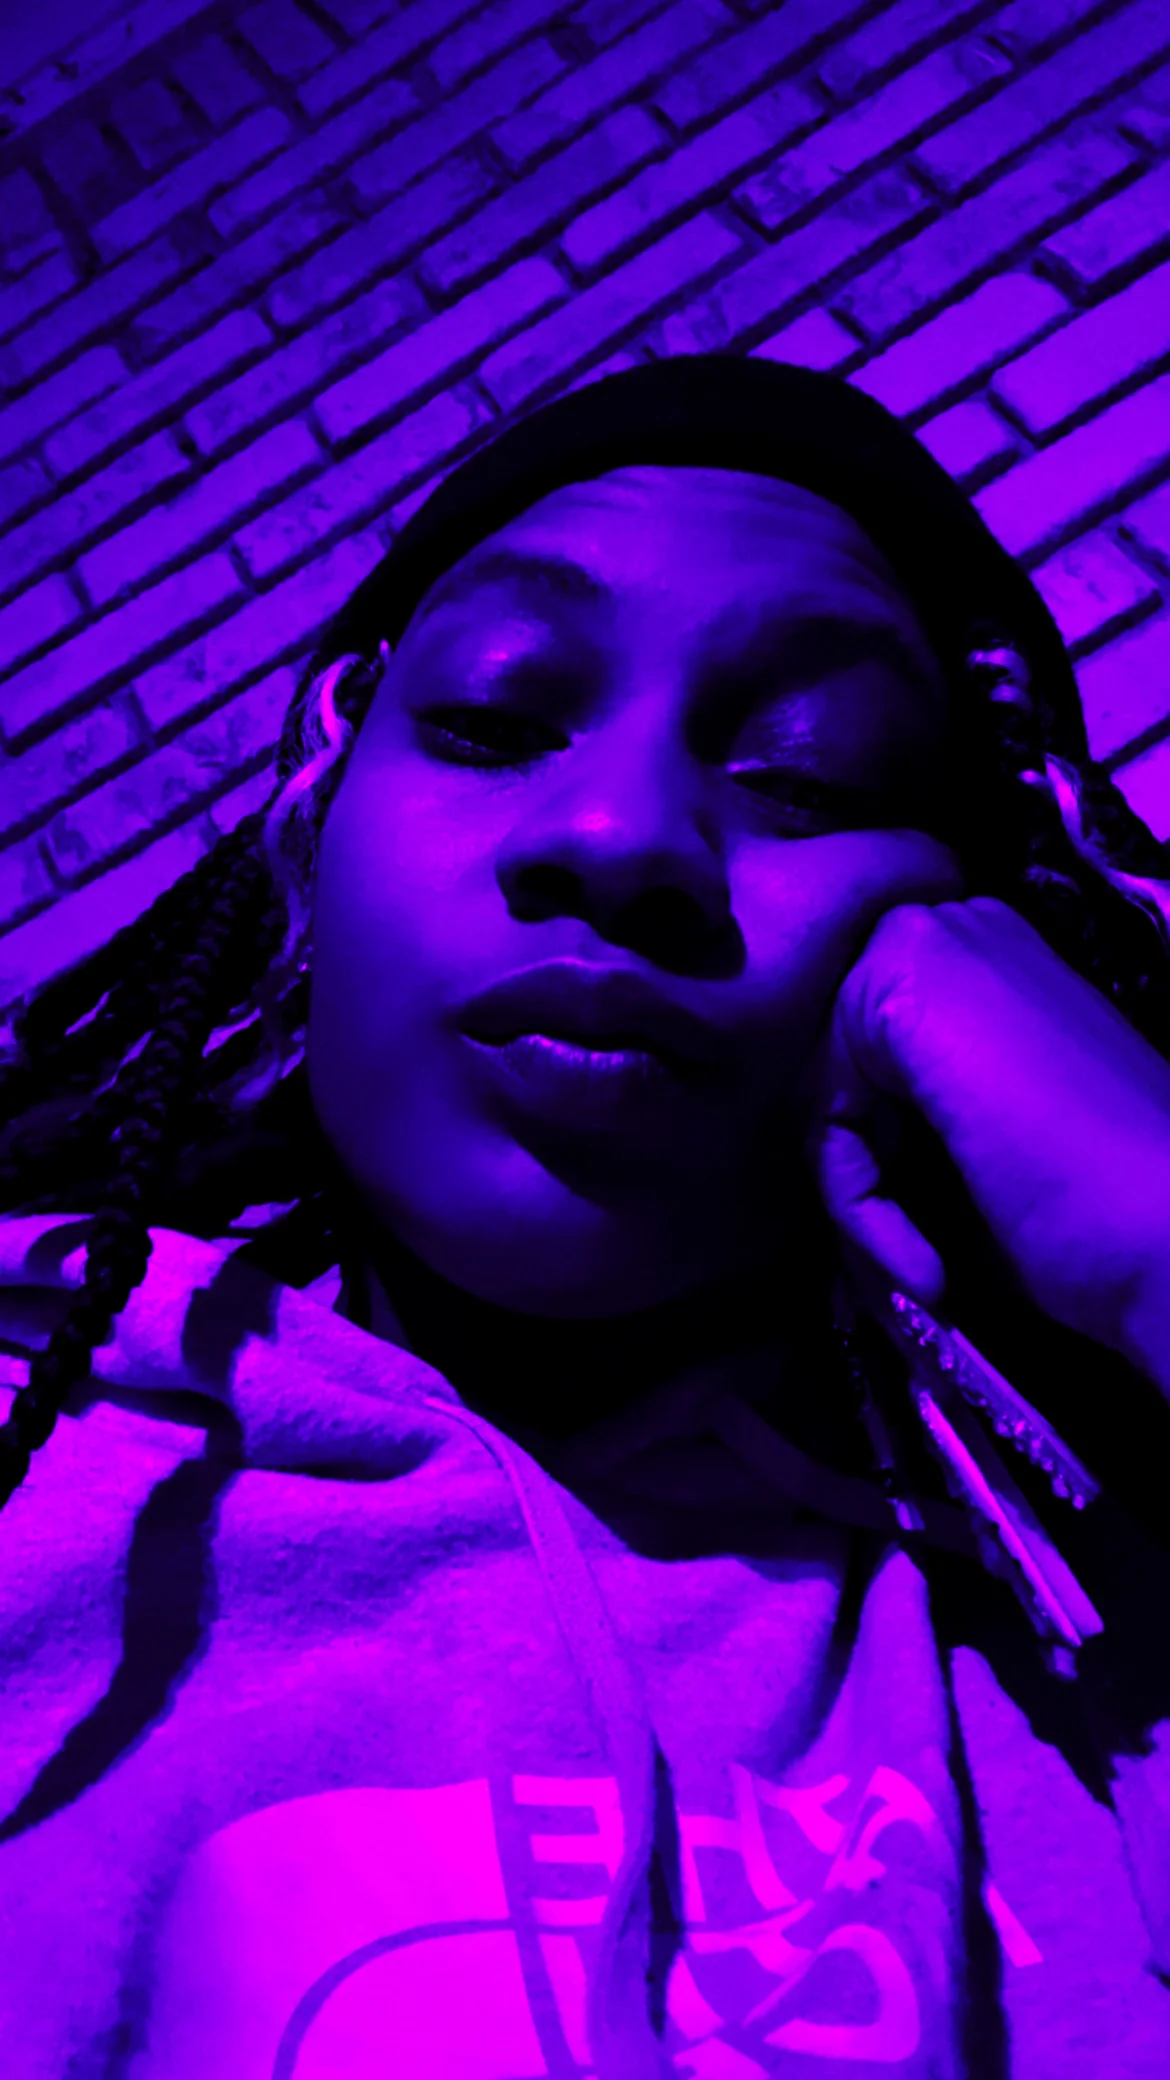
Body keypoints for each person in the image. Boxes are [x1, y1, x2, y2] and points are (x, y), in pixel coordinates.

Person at [0, 355, 1168, 2077]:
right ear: (314, 828)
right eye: (491, 718)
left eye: (808, 770)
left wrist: (1151, 1223)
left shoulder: (1096, 1613)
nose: (621, 837)